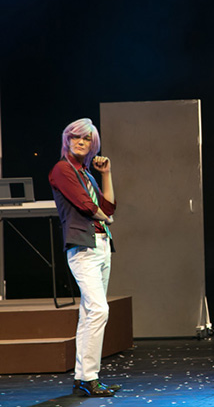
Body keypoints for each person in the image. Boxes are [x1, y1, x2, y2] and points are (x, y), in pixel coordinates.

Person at [49, 118, 120, 397]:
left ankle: (84, 379)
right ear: (67, 140)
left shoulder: (87, 174)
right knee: (99, 310)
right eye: (76, 137)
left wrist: (106, 174)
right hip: (82, 247)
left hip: (101, 245)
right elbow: (87, 206)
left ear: (93, 144)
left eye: (87, 139)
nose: (81, 142)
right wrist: (106, 219)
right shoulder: (62, 170)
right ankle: (89, 378)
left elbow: (108, 205)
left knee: (90, 313)